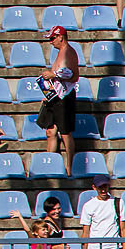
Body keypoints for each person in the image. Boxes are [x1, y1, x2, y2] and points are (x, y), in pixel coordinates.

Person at [37, 25, 80, 159]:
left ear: (60, 37)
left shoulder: (69, 52)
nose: (51, 42)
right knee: (50, 132)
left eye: (52, 38)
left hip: (65, 97)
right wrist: (48, 94)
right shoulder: (61, 52)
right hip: (54, 96)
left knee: (65, 133)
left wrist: (53, 74)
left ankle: (70, 166)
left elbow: (74, 75)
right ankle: (50, 164)